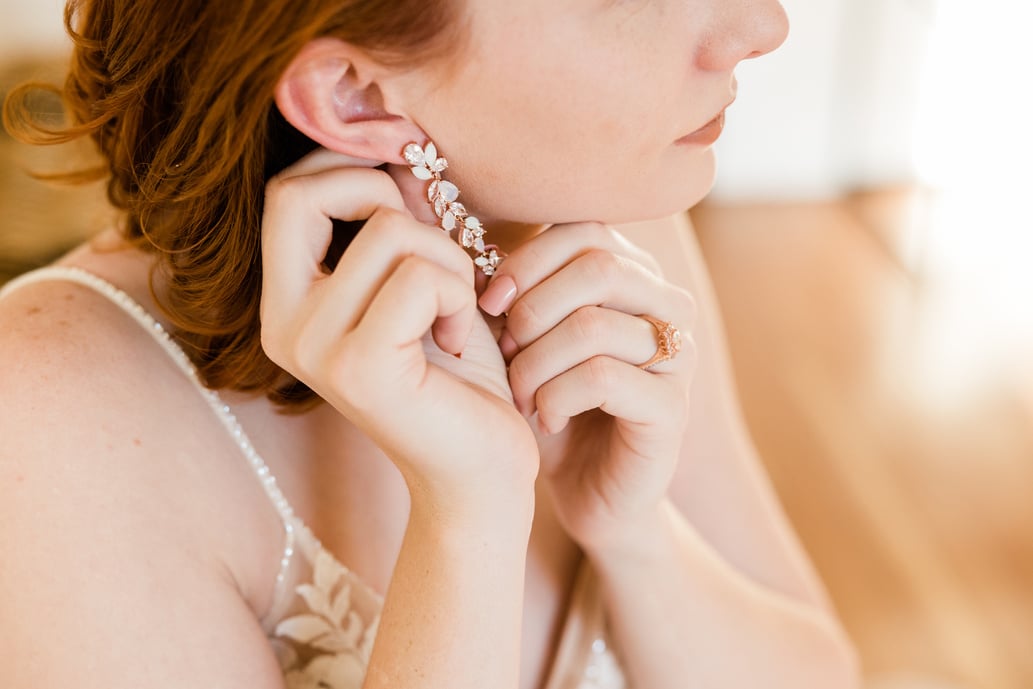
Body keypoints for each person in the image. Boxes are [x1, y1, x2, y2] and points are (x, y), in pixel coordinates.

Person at [0, 1, 859, 688]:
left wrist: (633, 534)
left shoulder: (607, 232)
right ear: (353, 93)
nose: (761, 23)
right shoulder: (51, 418)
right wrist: (468, 517)